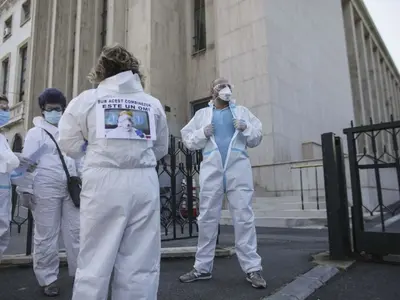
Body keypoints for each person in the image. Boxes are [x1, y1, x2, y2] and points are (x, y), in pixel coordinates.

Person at [57, 44, 169, 300]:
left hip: (103, 182)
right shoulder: (151, 103)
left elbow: (68, 143)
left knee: (95, 258)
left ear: (102, 70)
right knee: (140, 260)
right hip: (143, 181)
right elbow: (160, 147)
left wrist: (90, 146)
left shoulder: (87, 100)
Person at [179, 78, 267, 289]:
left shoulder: (242, 112)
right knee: (207, 218)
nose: (224, 88)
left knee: (244, 217)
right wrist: (202, 133)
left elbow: (256, 137)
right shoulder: (202, 115)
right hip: (212, 169)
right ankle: (202, 268)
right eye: (219, 86)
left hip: (238, 168)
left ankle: (253, 268)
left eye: (226, 85)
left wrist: (246, 128)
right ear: (213, 92)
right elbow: (187, 139)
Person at [22, 88, 80, 297]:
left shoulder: (70, 131)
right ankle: (48, 279)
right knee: (46, 235)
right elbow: (27, 164)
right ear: (43, 110)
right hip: (44, 188)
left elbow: (78, 158)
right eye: (50, 109)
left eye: (58, 109)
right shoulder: (36, 133)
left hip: (70, 189)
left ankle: (81, 275)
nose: (54, 112)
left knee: (77, 233)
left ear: (64, 109)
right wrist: (25, 189)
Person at [0, 95, 20, 261]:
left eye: (6, 108)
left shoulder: (2, 136)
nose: (5, 112)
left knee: (3, 226)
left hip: (4, 185)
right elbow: (11, 160)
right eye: (2, 108)